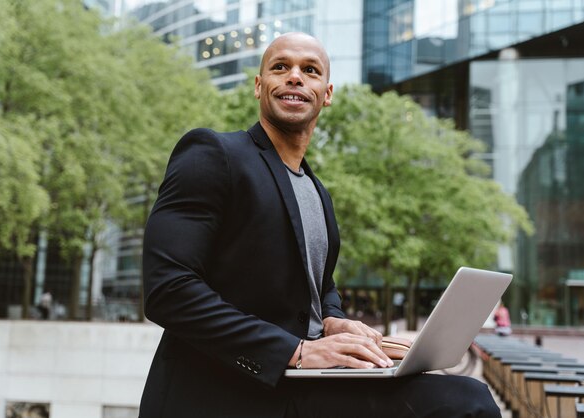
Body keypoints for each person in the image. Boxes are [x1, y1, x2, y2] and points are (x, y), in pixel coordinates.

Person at [139, 32, 500, 418]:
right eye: (281, 67)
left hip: (301, 383)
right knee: (466, 404)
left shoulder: (316, 190)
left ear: (326, 94)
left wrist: (334, 322)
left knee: (463, 393)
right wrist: (297, 351)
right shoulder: (213, 154)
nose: (295, 77)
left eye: (309, 70)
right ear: (259, 87)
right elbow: (169, 289)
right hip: (229, 391)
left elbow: (321, 288)